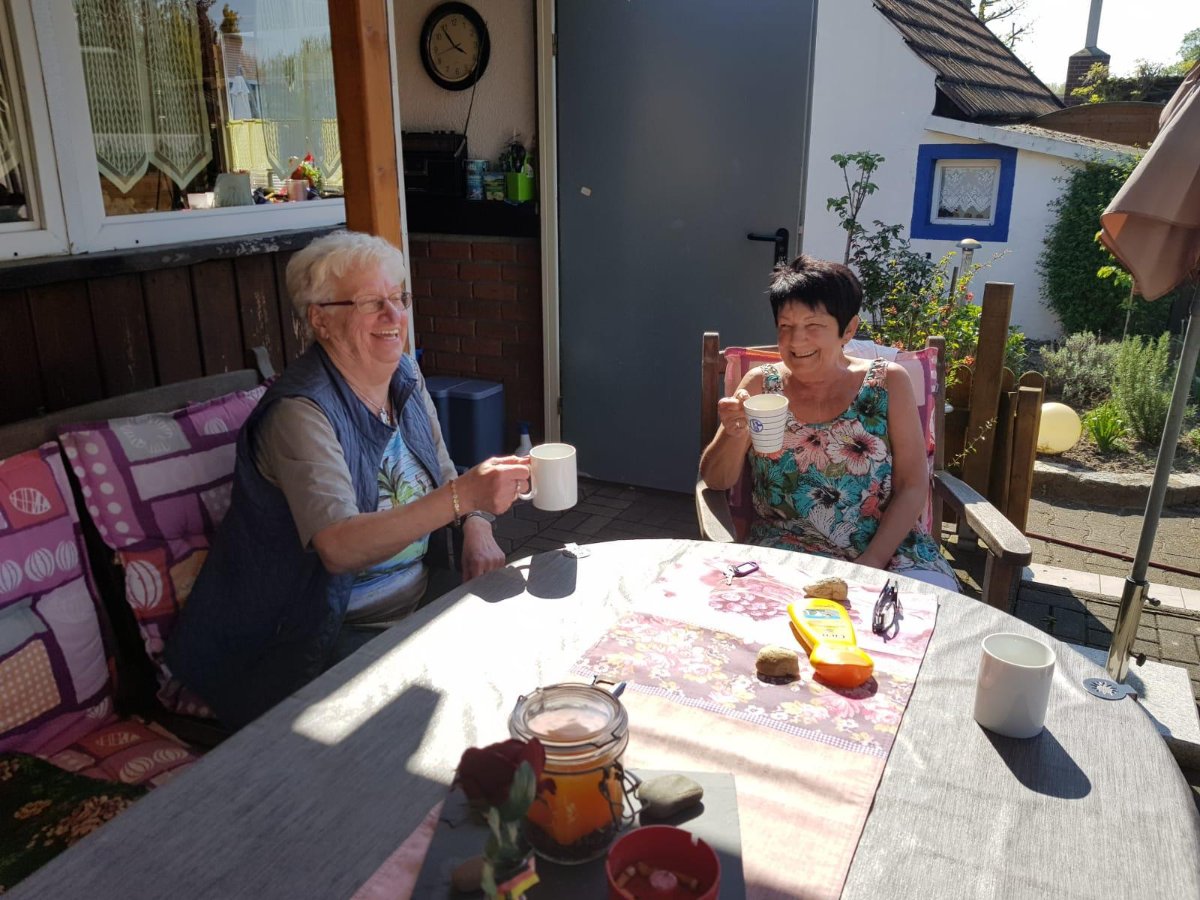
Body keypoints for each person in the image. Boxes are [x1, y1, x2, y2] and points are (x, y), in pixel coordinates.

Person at [166, 231, 531, 727]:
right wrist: (463, 498)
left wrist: (476, 524)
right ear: (321, 319)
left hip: (411, 601)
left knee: (519, 660)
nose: (393, 314)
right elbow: (338, 546)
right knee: (453, 715)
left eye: (398, 297)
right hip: (310, 636)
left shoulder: (403, 374)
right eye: (371, 303)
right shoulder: (300, 412)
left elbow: (442, 469)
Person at [699, 255, 958, 590]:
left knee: (926, 611)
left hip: (889, 551)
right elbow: (716, 480)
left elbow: (912, 485)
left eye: (813, 326)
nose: (796, 341)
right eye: (785, 326)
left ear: (848, 329)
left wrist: (871, 564)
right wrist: (734, 433)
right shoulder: (761, 384)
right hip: (787, 552)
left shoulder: (888, 383)